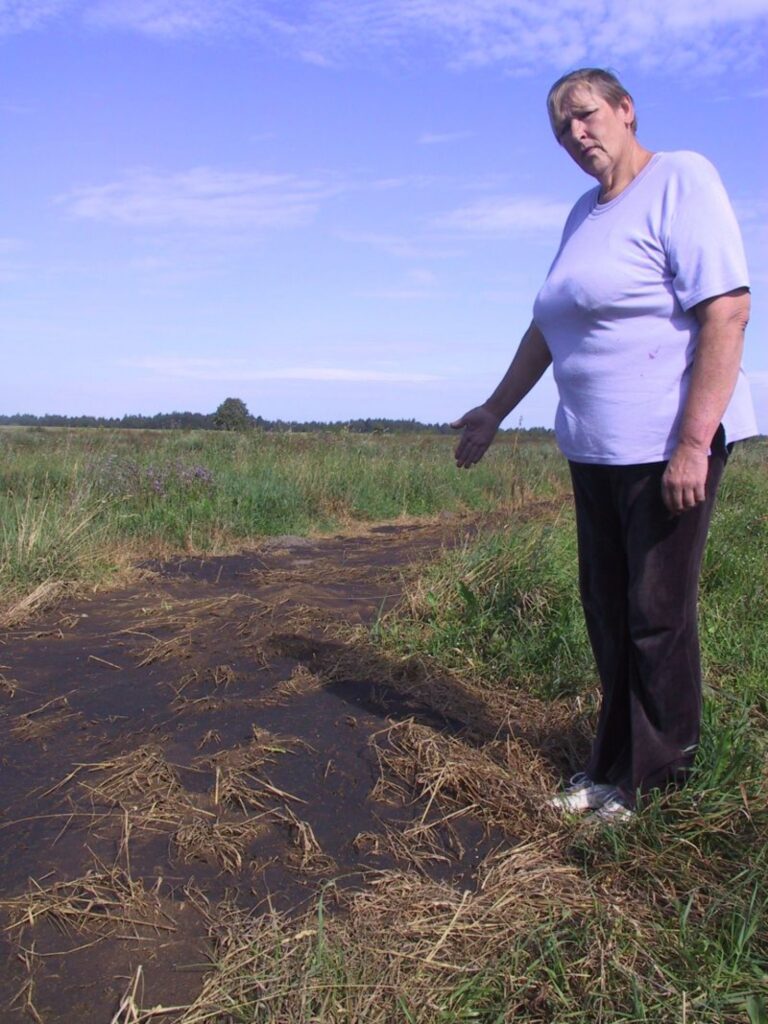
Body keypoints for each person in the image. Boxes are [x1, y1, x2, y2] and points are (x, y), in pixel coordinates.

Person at [452, 68, 756, 823]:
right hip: (596, 450)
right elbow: (548, 327)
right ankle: (611, 765)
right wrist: (493, 410)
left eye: (584, 116)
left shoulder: (681, 179)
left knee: (657, 613)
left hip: (664, 447)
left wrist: (694, 440)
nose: (574, 135)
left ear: (625, 110)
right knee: (609, 611)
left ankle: (658, 786)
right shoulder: (584, 213)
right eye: (561, 129)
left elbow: (728, 311)